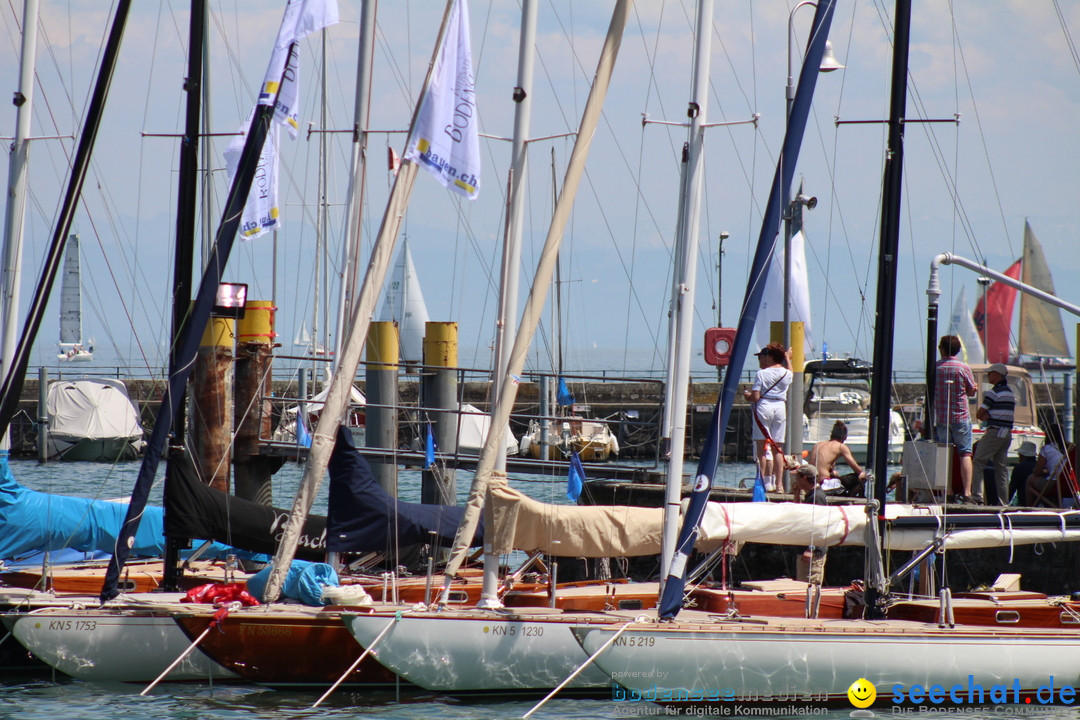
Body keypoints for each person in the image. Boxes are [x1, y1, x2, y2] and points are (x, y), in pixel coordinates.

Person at [933, 335, 978, 503]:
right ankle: (967, 493)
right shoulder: (963, 367)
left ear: (941, 349)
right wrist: (974, 389)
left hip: (942, 417)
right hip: (960, 416)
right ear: (958, 350)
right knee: (965, 453)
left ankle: (948, 491)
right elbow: (971, 391)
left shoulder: (935, 368)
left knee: (945, 453)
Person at [744, 343, 792, 494]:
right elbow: (791, 371)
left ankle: (761, 484)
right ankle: (779, 485)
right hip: (780, 407)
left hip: (764, 406)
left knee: (761, 449)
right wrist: (788, 358)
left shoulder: (762, 373)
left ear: (770, 356)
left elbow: (755, 397)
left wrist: (747, 396)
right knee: (778, 449)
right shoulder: (786, 373)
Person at [971, 363, 1015, 506]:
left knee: (978, 461)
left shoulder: (993, 393)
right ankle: (1004, 501)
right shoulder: (1009, 393)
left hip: (995, 431)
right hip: (1007, 433)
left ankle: (977, 497)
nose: (988, 376)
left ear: (997, 374)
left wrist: (986, 416)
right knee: (1001, 467)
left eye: (990, 373)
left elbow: (979, 414)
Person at [807, 420, 867, 497]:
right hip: (825, 483)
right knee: (859, 478)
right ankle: (850, 498)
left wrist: (832, 473)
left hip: (812, 482)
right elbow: (856, 468)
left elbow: (817, 466)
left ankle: (847, 496)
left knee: (841, 478)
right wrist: (863, 473)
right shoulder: (840, 446)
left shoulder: (817, 445)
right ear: (844, 437)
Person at [792, 463, 827, 585]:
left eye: (798, 477)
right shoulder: (810, 496)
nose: (796, 480)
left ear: (805, 478)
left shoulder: (817, 497)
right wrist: (796, 495)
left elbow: (819, 524)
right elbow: (801, 514)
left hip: (812, 553)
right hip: (805, 550)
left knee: (809, 586)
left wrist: (810, 548)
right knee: (802, 584)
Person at [1026, 424, 1069, 507]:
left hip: (1055, 484)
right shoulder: (1069, 448)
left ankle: (1030, 507)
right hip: (1069, 485)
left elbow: (1036, 473)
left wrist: (1042, 471)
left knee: (1030, 479)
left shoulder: (1046, 449)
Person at [1006, 440, 1038, 506]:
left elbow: (1012, 487)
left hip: (1023, 502)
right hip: (1038, 502)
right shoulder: (1038, 467)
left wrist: (1006, 502)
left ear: (1022, 455)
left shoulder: (1019, 467)